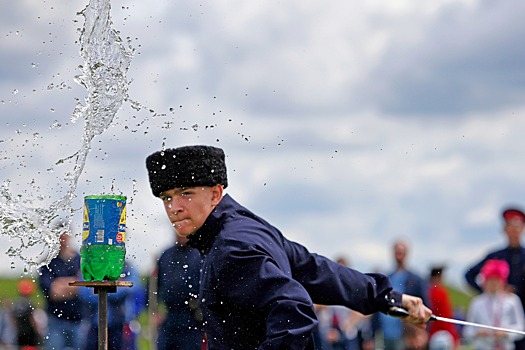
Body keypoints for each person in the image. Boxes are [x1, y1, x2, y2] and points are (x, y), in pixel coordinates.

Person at [145, 145, 433, 349]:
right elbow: (314, 271)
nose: (175, 208)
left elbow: (294, 308)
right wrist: (388, 297)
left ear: (216, 193)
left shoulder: (231, 247)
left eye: (186, 194)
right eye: (167, 197)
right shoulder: (244, 226)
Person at [465, 207, 525, 349]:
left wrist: (516, 291)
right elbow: (469, 274)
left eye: (517, 227)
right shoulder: (496, 256)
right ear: (504, 230)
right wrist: (488, 291)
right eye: (510, 226)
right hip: (494, 320)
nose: (513, 231)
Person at [155, 233, 204, 349]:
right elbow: (156, 285)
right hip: (169, 318)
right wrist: (156, 311)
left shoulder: (199, 255)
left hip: (191, 319)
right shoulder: (166, 255)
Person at [38, 226, 83, 350]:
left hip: (79, 320)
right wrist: (74, 283)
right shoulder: (48, 263)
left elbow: (85, 288)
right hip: (55, 321)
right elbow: (53, 292)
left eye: (65, 235)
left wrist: (60, 283)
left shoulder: (81, 260)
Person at [377, 240, 428, 350]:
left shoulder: (416, 280)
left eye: (402, 252)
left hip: (405, 334)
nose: (399, 255)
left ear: (407, 254)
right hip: (384, 334)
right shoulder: (386, 278)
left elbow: (426, 306)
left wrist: (423, 332)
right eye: (397, 252)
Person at [463, 259, 525, 350]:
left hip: (506, 347)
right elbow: (467, 331)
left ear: (503, 281)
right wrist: (478, 332)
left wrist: (506, 332)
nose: (494, 283)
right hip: (483, 347)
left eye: (497, 279)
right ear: (485, 281)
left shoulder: (513, 300)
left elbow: (521, 328)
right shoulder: (476, 302)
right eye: (491, 279)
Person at [79, 261, 139, 350]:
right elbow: (83, 292)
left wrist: (99, 289)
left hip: (119, 323)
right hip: (93, 323)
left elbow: (133, 287)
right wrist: (115, 287)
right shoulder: (90, 267)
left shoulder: (126, 267)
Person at [427, 266, 460, 349]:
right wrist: (454, 337)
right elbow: (446, 317)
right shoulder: (441, 293)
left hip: (431, 334)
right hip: (443, 335)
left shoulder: (427, 292)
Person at [12, 279, 42, 349]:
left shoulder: (16, 303)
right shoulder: (30, 304)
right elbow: (33, 319)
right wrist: (38, 333)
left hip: (19, 333)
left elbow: (13, 319)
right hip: (30, 333)